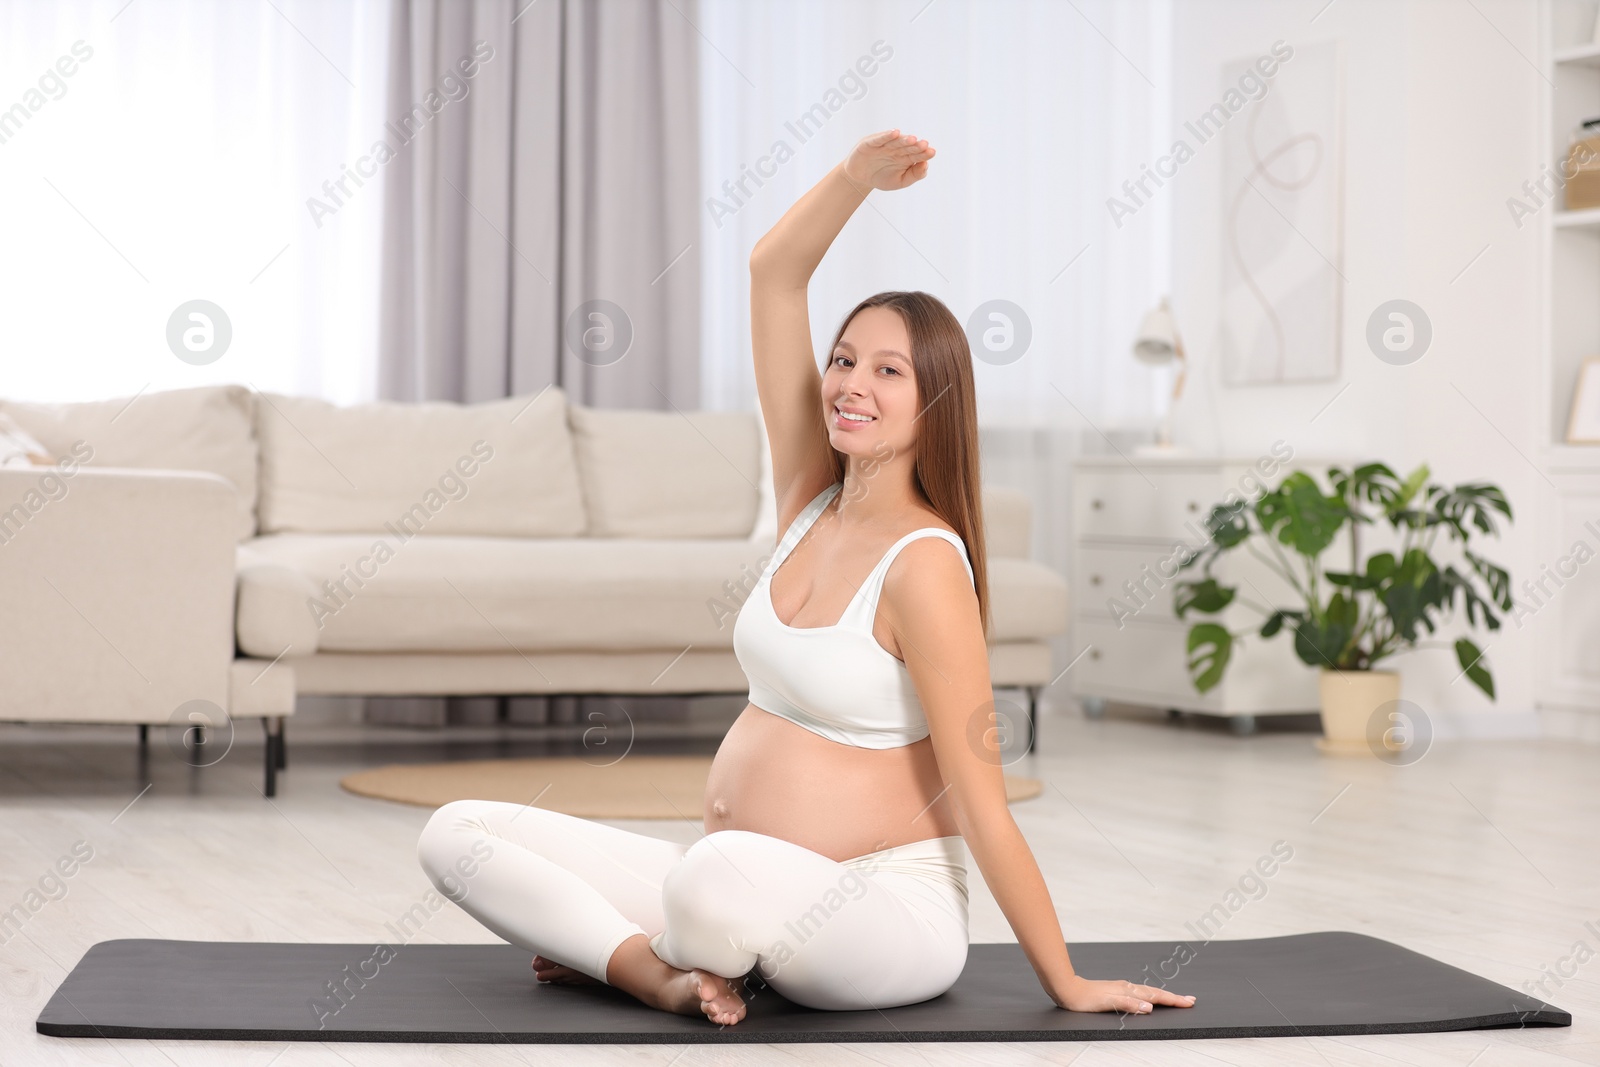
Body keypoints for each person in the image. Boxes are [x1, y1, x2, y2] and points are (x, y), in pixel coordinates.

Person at [417, 128, 1196, 1026]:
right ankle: (657, 972)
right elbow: (774, 273)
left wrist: (1067, 980)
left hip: (879, 913)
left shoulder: (927, 565)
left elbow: (983, 807)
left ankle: (650, 946)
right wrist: (856, 180)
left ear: (934, 399)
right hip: (745, 880)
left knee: (708, 883)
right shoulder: (809, 500)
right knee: (459, 833)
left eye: (889, 370)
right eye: (842, 358)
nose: (850, 383)